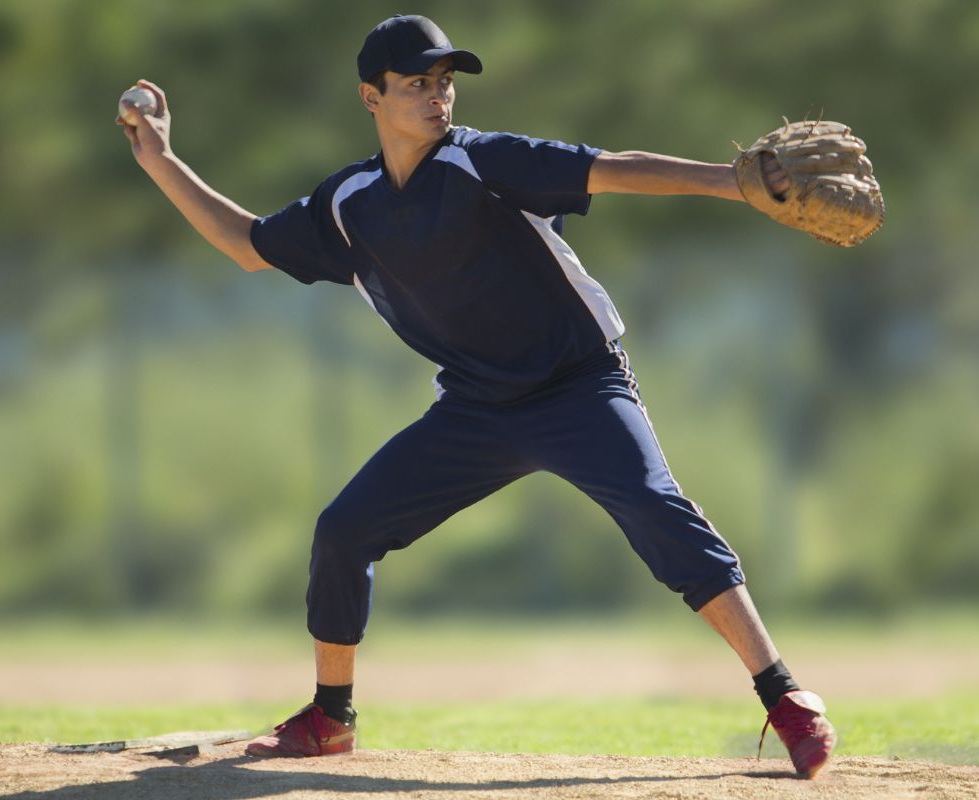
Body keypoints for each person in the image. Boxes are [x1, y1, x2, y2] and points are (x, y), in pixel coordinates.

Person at [118, 13, 837, 779]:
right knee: (343, 530)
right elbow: (247, 244)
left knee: (659, 510)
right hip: (475, 408)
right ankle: (330, 718)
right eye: (417, 83)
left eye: (446, 81)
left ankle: (785, 697)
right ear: (371, 96)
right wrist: (161, 159)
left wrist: (734, 183)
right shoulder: (348, 204)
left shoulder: (484, 160)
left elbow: (615, 167)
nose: (438, 96)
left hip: (579, 386)